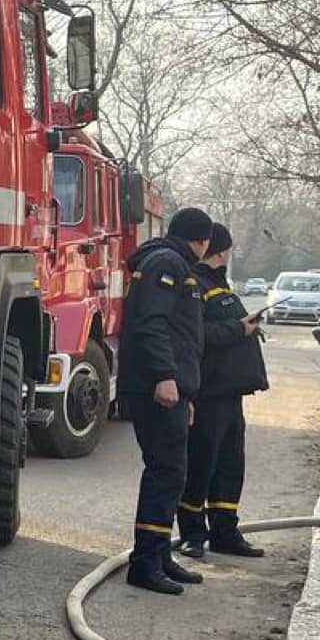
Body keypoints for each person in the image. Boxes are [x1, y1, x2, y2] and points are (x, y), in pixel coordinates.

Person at [117, 205, 214, 594]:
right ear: (203, 240)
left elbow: (178, 333)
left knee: (172, 472)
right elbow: (152, 324)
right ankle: (145, 563)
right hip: (156, 387)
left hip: (171, 388)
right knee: (165, 471)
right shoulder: (167, 264)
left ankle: (158, 555)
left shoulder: (171, 262)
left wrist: (184, 390)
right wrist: (165, 377)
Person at [179, 223, 269, 559]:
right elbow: (198, 335)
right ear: (221, 250)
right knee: (201, 464)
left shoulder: (221, 287)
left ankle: (225, 532)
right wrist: (238, 329)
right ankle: (192, 534)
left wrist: (247, 330)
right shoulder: (195, 286)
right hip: (206, 393)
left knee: (230, 465)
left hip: (230, 395)